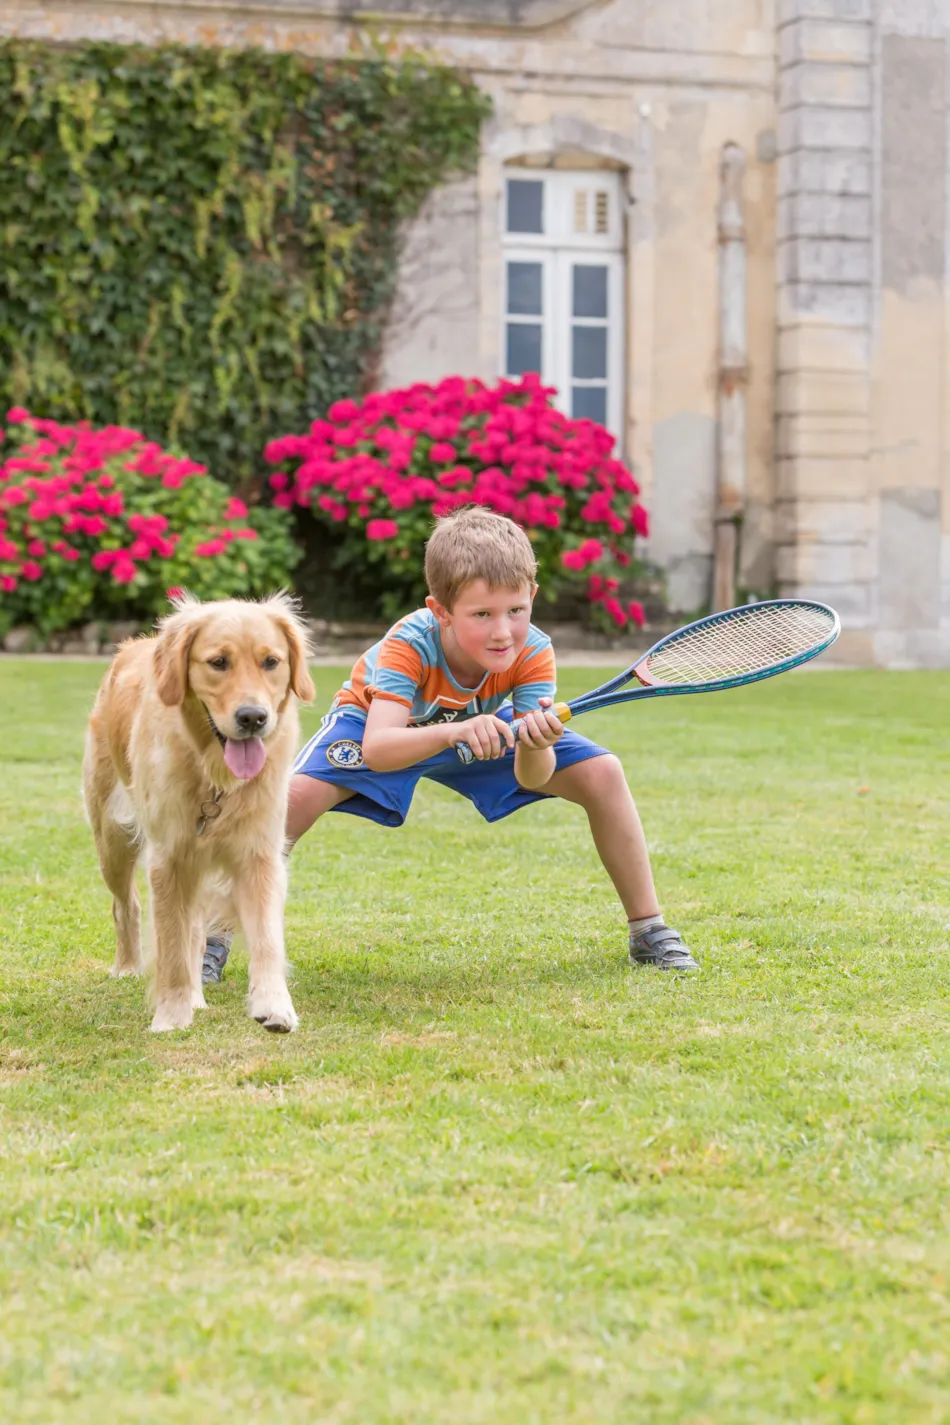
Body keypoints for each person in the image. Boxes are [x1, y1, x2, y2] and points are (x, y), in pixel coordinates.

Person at [202, 506, 697, 983]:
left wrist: (533, 744)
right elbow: (378, 747)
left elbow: (533, 777)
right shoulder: (410, 643)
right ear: (440, 610)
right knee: (290, 803)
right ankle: (211, 936)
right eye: (482, 613)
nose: (503, 632)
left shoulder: (534, 652)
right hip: (379, 723)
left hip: (481, 723)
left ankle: (649, 929)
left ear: (533, 596)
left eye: (516, 610)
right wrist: (453, 731)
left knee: (602, 772)